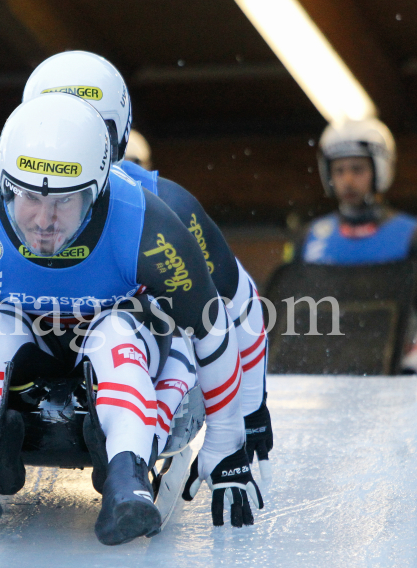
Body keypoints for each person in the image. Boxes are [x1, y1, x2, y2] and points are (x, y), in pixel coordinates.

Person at [0, 93, 262, 545]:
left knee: (119, 334)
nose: (44, 220)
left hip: (116, 334)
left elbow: (211, 331)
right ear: (4, 184)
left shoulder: (148, 227)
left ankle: (125, 474)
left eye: (65, 201)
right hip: (19, 338)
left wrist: (226, 444)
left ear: (98, 190)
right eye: (29, 197)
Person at [18, 50, 272, 474]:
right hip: (41, 351)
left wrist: (250, 411)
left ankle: (137, 441)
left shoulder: (167, 206)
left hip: (135, 351)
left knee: (187, 324)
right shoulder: (2, 202)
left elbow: (233, 302)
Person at [286, 118, 417, 374]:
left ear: (379, 169)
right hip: (317, 379)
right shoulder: (307, 238)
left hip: (388, 381)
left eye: (357, 169)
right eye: (339, 170)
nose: (347, 180)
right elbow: (286, 316)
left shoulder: (416, 236)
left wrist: (409, 372)